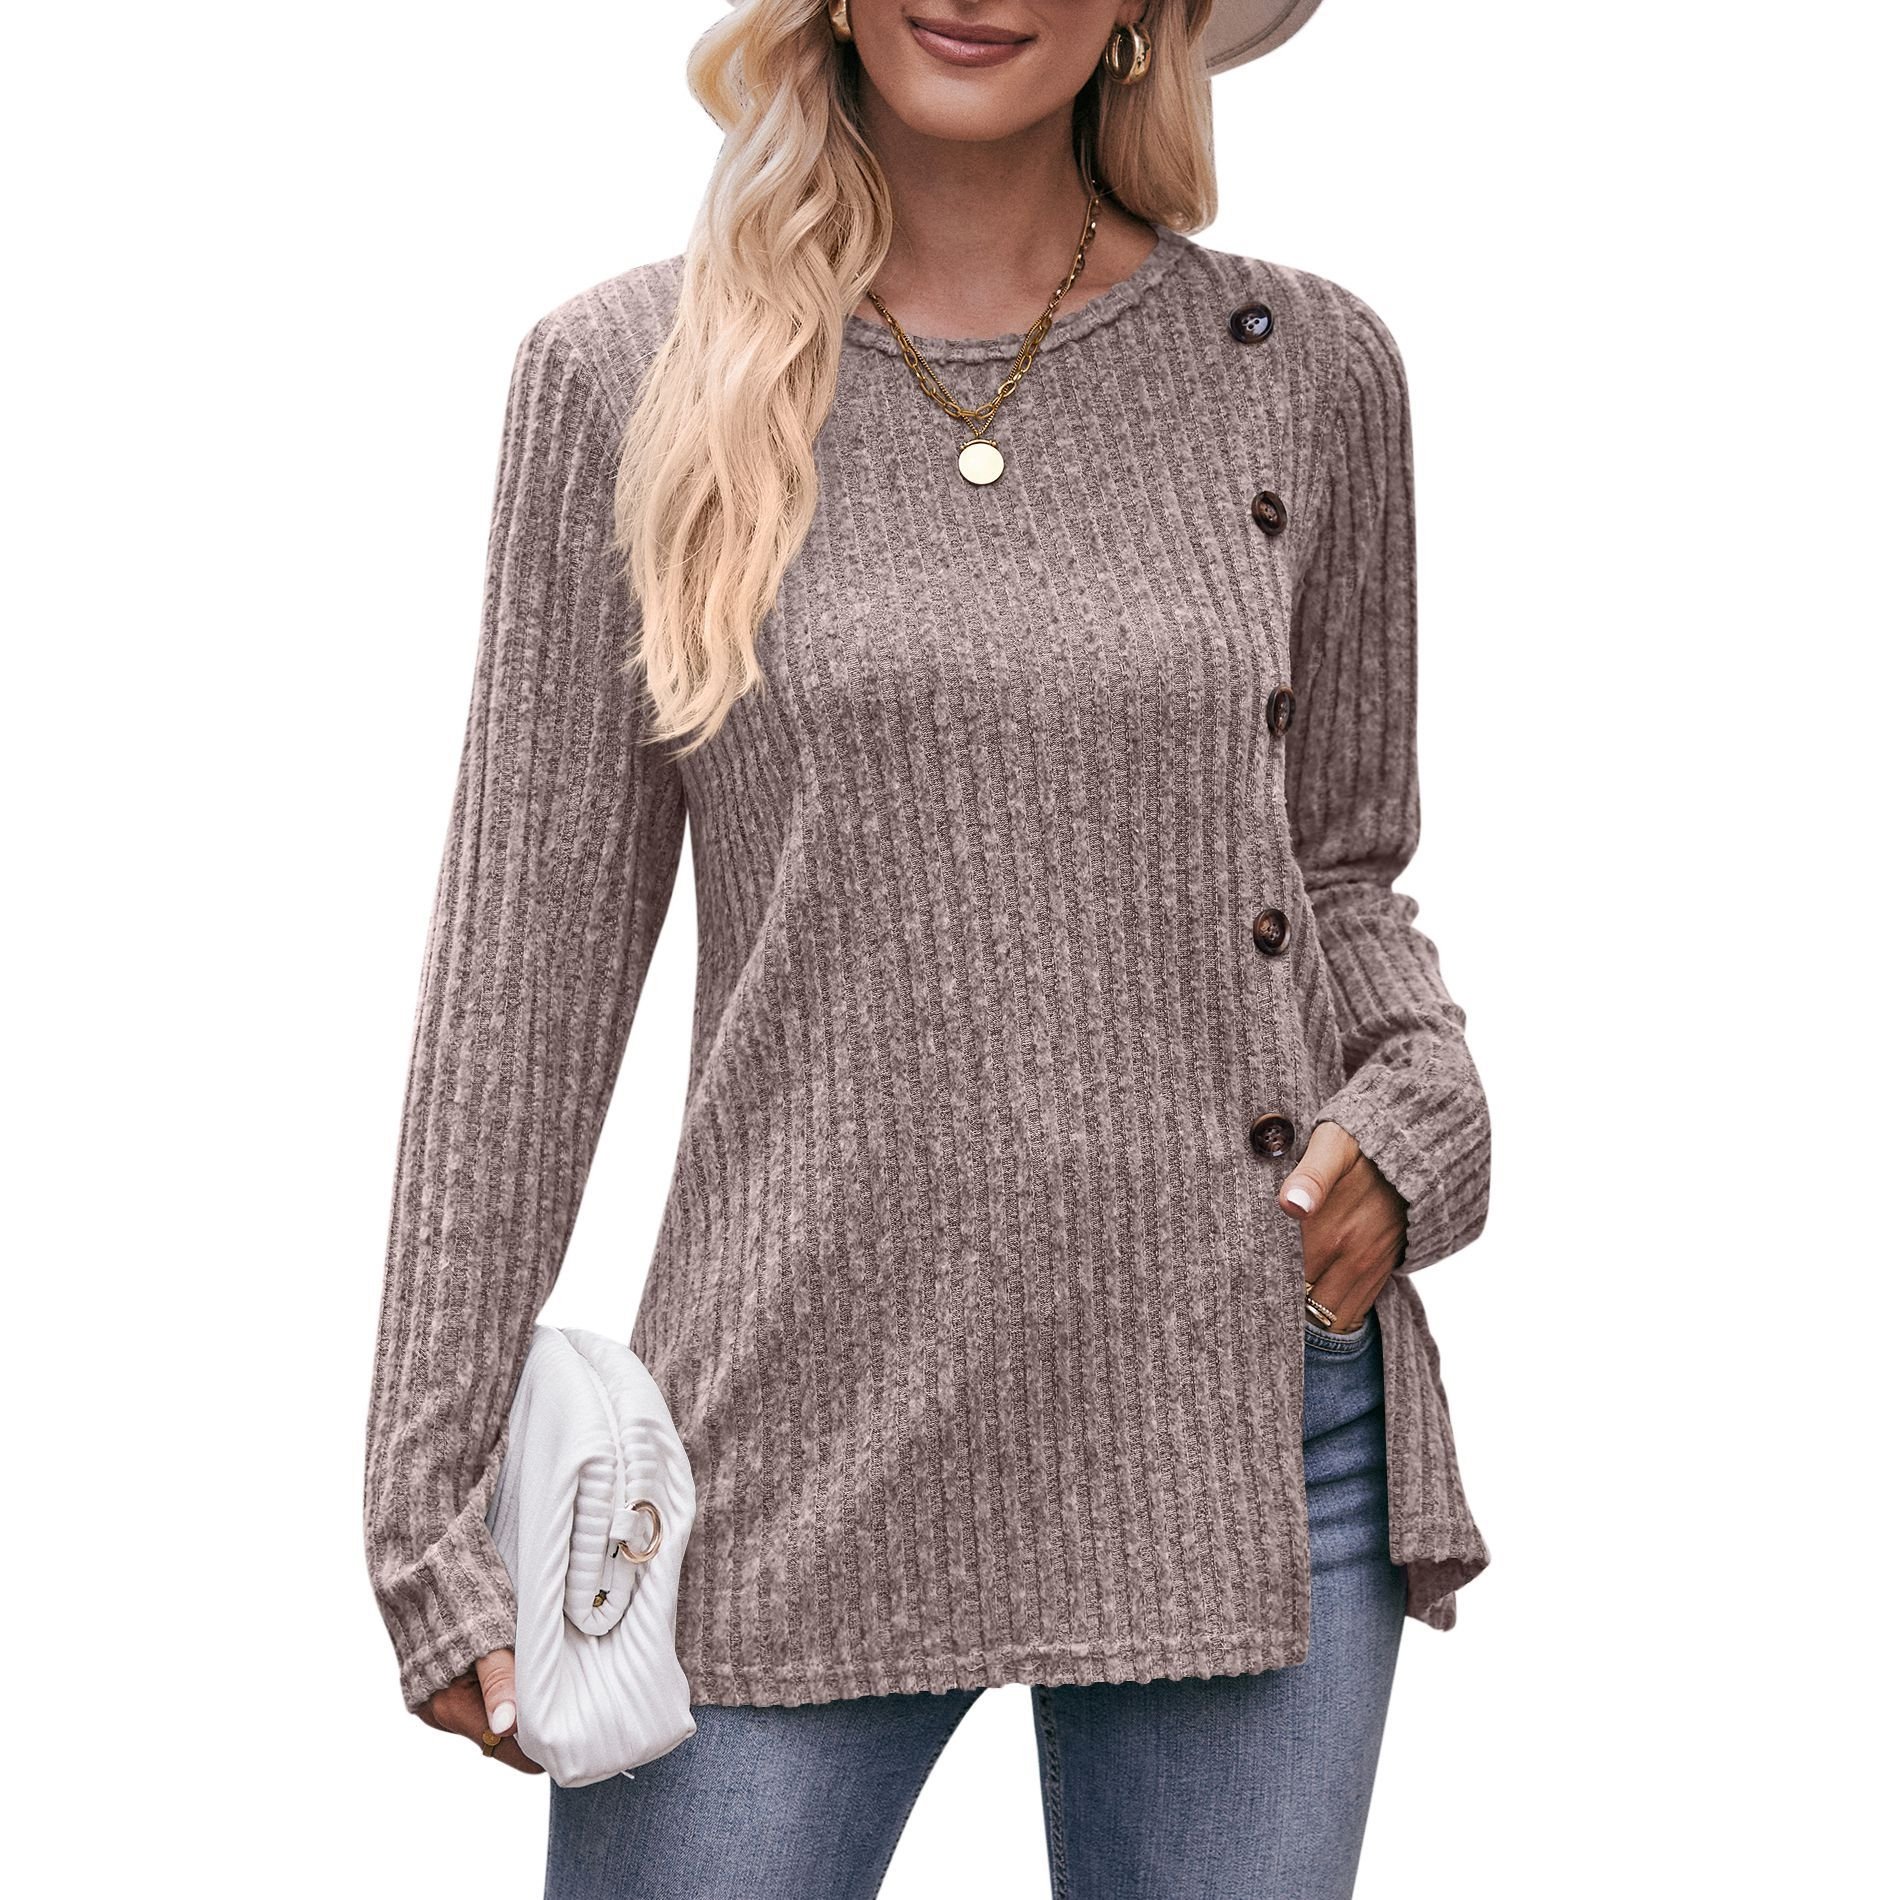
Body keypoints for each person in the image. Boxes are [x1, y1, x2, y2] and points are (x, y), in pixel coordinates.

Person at [362, 2, 1493, 1893]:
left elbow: (1343, 867)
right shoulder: (629, 378)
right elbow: (521, 986)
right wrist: (426, 1499)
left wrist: (1419, 1109)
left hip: (1236, 1417)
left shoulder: (1303, 369)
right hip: (787, 1433)